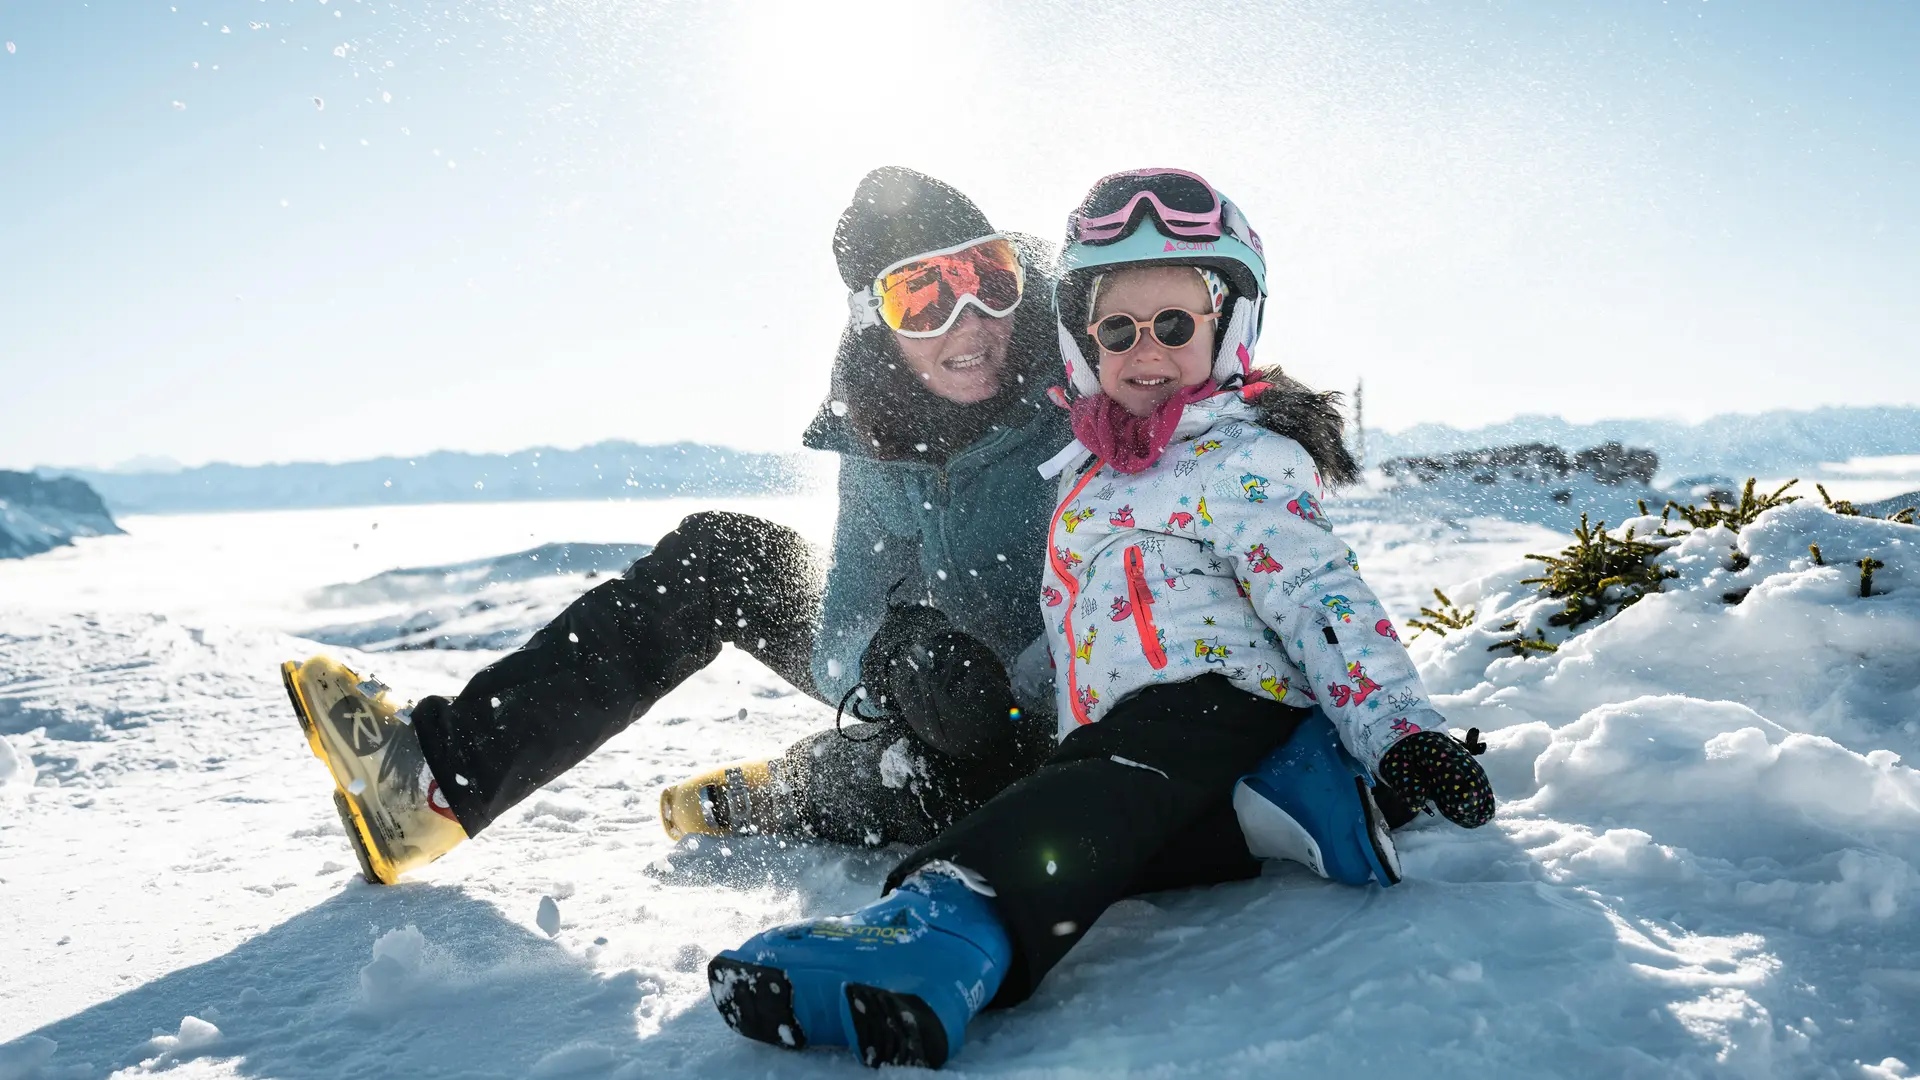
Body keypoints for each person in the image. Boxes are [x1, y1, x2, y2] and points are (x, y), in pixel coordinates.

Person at [706, 169, 1496, 1070]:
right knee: (1128, 821)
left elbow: (1324, 599)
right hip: (1166, 733)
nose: (1145, 349)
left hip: (1220, 696)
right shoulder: (1086, 472)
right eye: (1117, 329)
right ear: (1084, 344)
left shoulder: (1241, 460)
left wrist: (1402, 732)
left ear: (1228, 327)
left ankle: (948, 929)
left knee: (1100, 790)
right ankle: (1303, 799)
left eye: (1174, 325)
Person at [278, 167, 1075, 885]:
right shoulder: (883, 431)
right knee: (719, 555)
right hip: (945, 681)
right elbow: (841, 634)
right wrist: (893, 655)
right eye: (924, 296)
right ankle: (437, 788)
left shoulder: (1084, 349)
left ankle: (786, 793)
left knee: (955, 777)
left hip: (1065, 692)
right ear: (873, 319)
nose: (971, 319)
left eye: (988, 275)